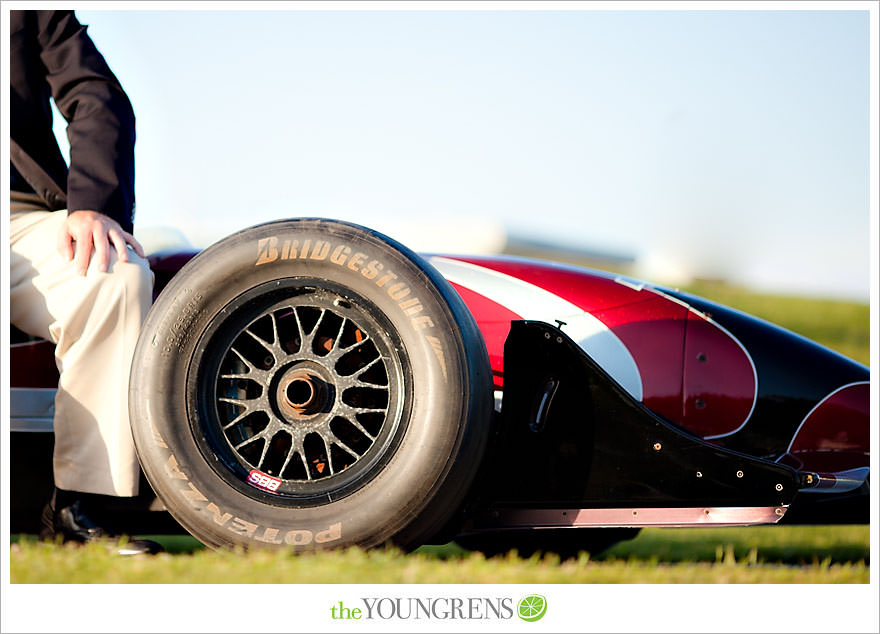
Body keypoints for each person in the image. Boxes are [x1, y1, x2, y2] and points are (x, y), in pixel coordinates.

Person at [9, 9, 160, 555]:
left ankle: (80, 506)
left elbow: (96, 96)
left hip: (17, 218)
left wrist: (94, 207)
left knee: (111, 274)